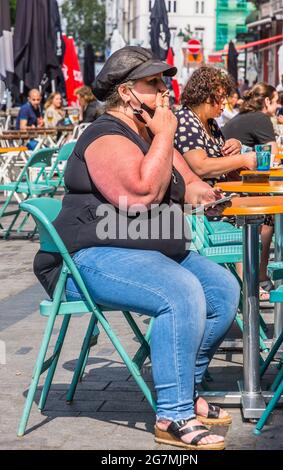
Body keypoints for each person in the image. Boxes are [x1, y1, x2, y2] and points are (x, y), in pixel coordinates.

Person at [33, 46, 240, 450]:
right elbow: (140, 195)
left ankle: (186, 383)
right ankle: (173, 414)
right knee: (179, 291)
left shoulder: (149, 134)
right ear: (127, 93)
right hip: (87, 258)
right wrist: (165, 133)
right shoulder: (105, 135)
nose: (166, 91)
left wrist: (207, 195)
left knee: (222, 290)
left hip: (149, 250)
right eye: (154, 83)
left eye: (164, 81)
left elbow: (187, 181)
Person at [223, 82, 279, 300]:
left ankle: (256, 275)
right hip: (237, 190)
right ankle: (260, 276)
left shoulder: (240, 117)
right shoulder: (261, 118)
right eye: (274, 102)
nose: (276, 107)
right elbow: (274, 157)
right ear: (266, 102)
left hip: (229, 185)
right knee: (269, 214)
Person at [174, 66, 256, 184]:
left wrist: (235, 147)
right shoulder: (185, 120)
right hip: (205, 199)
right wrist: (242, 159)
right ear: (206, 95)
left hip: (221, 192)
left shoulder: (210, 122)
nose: (225, 102)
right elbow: (201, 167)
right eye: (221, 97)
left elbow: (221, 162)